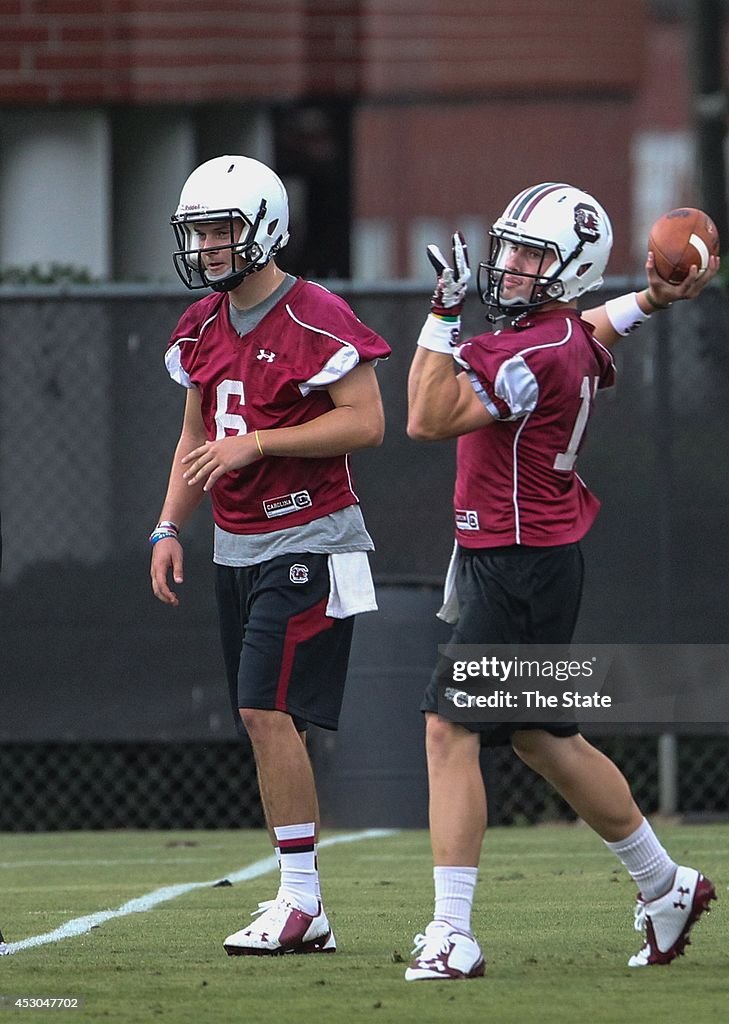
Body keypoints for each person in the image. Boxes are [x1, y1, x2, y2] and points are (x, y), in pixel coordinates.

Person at [404, 182, 720, 980]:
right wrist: (650, 296)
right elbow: (590, 324)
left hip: (516, 562)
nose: (507, 266)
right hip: (531, 558)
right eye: (508, 248)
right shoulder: (558, 337)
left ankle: (453, 933)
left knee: (450, 730)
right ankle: (664, 885)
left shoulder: (526, 353)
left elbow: (425, 416)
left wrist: (442, 313)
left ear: (569, 269)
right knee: (543, 737)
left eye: (530, 256)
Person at [150, 155, 390, 956]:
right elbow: (194, 439)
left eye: (222, 231)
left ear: (265, 229)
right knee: (262, 719)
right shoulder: (201, 324)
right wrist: (167, 527)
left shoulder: (318, 313)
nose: (209, 247)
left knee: (264, 710)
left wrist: (259, 443)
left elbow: (365, 421)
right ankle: (304, 902)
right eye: (200, 233)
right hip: (237, 546)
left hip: (314, 536)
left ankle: (300, 899)